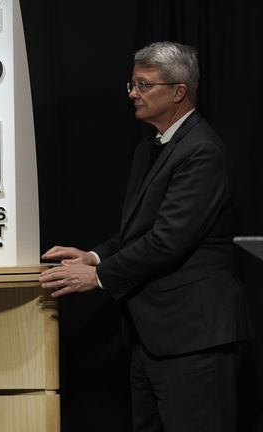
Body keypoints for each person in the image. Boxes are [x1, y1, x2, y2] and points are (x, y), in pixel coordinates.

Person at [38, 41, 251, 432]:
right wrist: (94, 257)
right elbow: (137, 233)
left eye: (143, 85)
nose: (133, 94)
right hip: (150, 336)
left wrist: (99, 278)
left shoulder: (203, 152)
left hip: (194, 336)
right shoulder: (147, 150)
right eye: (132, 85)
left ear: (178, 91)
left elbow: (168, 241)